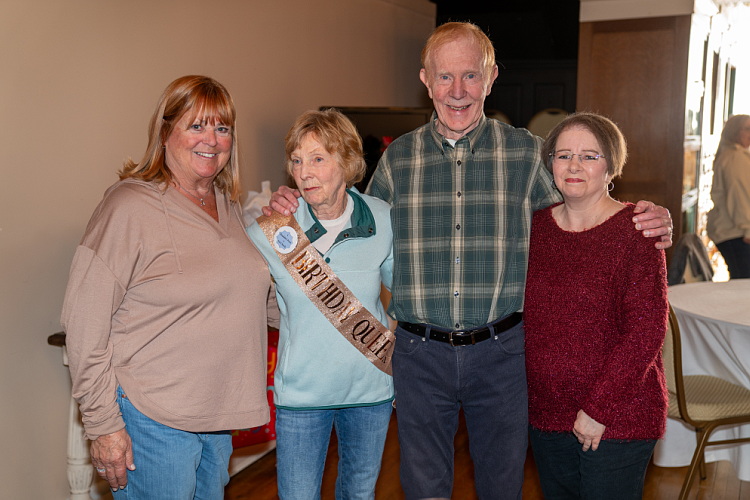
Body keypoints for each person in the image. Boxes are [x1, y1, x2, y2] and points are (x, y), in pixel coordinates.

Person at [265, 22, 673, 499]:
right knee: (424, 488)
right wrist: (295, 203)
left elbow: (582, 206)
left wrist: (643, 216)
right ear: (426, 80)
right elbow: (354, 225)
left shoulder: (526, 154)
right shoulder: (398, 160)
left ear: (492, 77)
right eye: (445, 77)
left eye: (470, 76)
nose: (457, 91)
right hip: (420, 355)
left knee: (502, 486)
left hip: (502, 354)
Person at [61, 75, 278, 499]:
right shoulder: (129, 206)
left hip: (215, 419)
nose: (211, 140)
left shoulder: (227, 206)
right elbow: (84, 325)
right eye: (196, 125)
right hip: (151, 418)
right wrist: (103, 425)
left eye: (222, 128)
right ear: (164, 134)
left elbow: (259, 299)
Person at [247, 109, 395, 500]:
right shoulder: (273, 227)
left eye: (317, 159)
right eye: (297, 161)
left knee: (359, 494)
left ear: (347, 163)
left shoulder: (384, 219)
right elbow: (239, 298)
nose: (304, 173)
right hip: (302, 396)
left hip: (369, 394)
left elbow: (406, 298)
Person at [524, 112, 668, 499]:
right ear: (550, 163)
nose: (574, 166)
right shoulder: (534, 229)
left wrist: (598, 409)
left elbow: (646, 331)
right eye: (563, 155)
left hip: (618, 417)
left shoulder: (637, 230)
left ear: (611, 166)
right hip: (546, 414)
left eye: (589, 156)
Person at [707, 114, 750, 279]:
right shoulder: (734, 157)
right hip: (735, 231)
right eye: (747, 129)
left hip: (734, 230)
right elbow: (738, 196)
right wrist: (748, 229)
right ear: (734, 132)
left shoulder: (734, 154)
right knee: (743, 283)